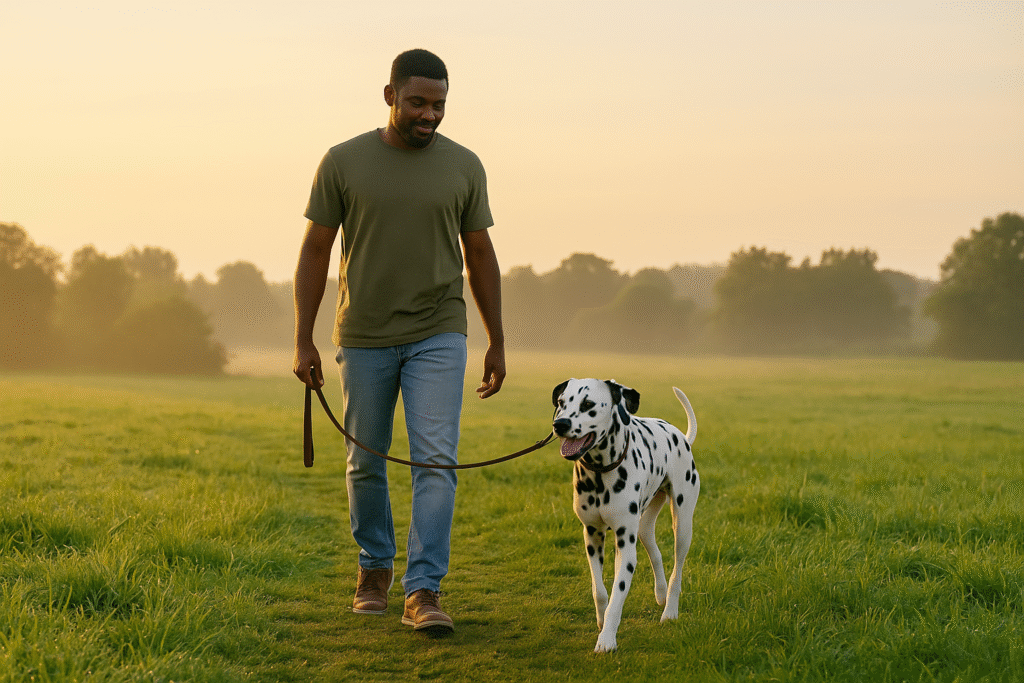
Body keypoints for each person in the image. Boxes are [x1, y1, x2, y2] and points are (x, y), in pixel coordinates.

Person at [292, 49, 505, 635]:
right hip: (362, 335)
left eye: (438, 105)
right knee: (366, 461)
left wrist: (496, 341)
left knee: (435, 460)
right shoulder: (343, 162)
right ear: (389, 96)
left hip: (440, 330)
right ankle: (373, 569)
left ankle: (424, 590)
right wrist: (303, 340)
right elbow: (315, 250)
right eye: (417, 103)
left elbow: (480, 254)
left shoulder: (464, 167)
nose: (428, 116)